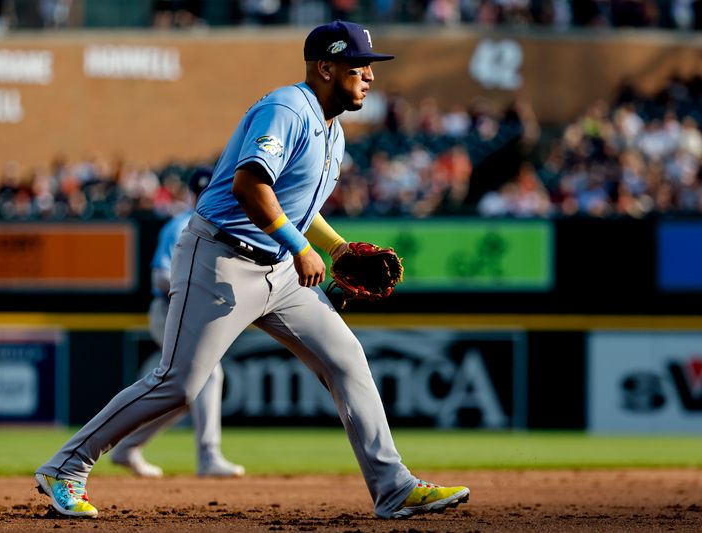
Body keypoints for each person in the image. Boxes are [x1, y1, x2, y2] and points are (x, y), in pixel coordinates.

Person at [34, 20, 470, 520]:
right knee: (179, 382)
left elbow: (297, 205)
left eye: (370, 66)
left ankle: (393, 487)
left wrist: (336, 250)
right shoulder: (286, 108)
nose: (370, 75)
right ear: (325, 68)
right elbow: (249, 186)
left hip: (281, 273)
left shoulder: (335, 133)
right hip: (220, 257)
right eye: (358, 64)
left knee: (346, 359)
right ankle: (65, 466)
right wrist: (297, 245)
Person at [108, 167, 245, 479]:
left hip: (196, 313)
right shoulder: (181, 224)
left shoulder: (227, 224)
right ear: (195, 195)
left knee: (186, 389)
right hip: (168, 310)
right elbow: (159, 274)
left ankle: (128, 447)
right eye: (202, 192)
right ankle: (209, 456)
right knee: (208, 375)